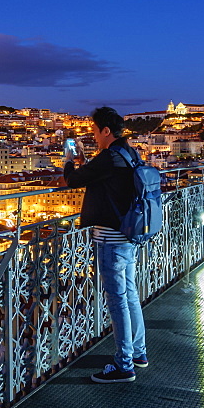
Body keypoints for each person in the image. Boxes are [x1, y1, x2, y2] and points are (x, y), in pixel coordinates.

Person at [64, 106, 147, 383]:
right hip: (129, 233)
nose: (94, 136)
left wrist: (69, 160)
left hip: (110, 237)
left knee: (117, 301)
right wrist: (88, 160)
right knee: (130, 294)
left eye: (95, 131)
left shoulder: (110, 157)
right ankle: (138, 352)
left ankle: (124, 366)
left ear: (106, 131)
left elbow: (73, 179)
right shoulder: (129, 152)